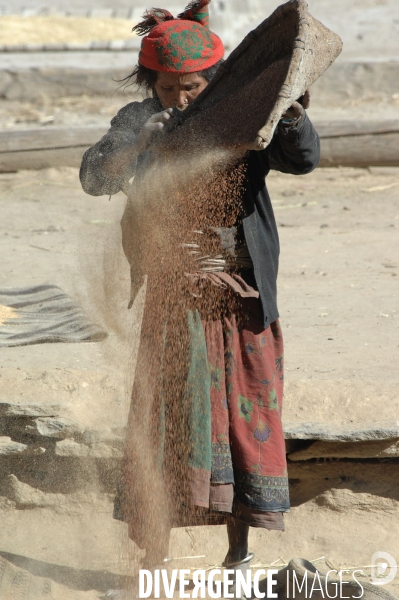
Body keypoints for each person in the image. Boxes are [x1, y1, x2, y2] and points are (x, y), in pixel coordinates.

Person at [80, 0, 320, 587]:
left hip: (242, 297)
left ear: (213, 79)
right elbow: (95, 177)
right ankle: (153, 559)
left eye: (191, 86)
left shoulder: (244, 116)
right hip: (175, 299)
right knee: (168, 420)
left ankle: (240, 553)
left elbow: (304, 158)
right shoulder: (138, 119)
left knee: (245, 420)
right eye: (168, 88)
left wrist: (288, 111)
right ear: (149, 83)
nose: (180, 99)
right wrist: (139, 140)